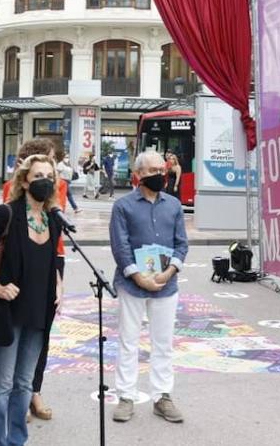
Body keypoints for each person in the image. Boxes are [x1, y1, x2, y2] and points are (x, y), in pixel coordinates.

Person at [0, 154, 63, 446]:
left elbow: (53, 259)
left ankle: (17, 440)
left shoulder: (53, 220)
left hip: (39, 313)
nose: (44, 181)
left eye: (49, 176)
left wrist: (59, 282)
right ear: (24, 181)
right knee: (2, 383)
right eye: (37, 176)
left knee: (24, 383)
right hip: (9, 312)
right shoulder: (7, 214)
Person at [109, 150, 188, 424]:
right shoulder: (123, 206)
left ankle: (162, 396)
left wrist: (169, 272)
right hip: (132, 285)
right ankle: (126, 397)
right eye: (153, 170)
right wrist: (138, 277)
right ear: (139, 174)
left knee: (163, 343)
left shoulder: (174, 205)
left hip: (167, 285)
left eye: (161, 169)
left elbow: (182, 244)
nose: (159, 174)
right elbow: (120, 247)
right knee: (128, 342)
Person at [0, 137, 66, 421]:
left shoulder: (58, 186)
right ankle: (18, 393)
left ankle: (33, 391)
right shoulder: (11, 190)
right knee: (19, 328)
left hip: (54, 255)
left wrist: (58, 277)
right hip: (23, 258)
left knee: (42, 329)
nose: (53, 169)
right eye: (48, 159)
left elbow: (54, 215)